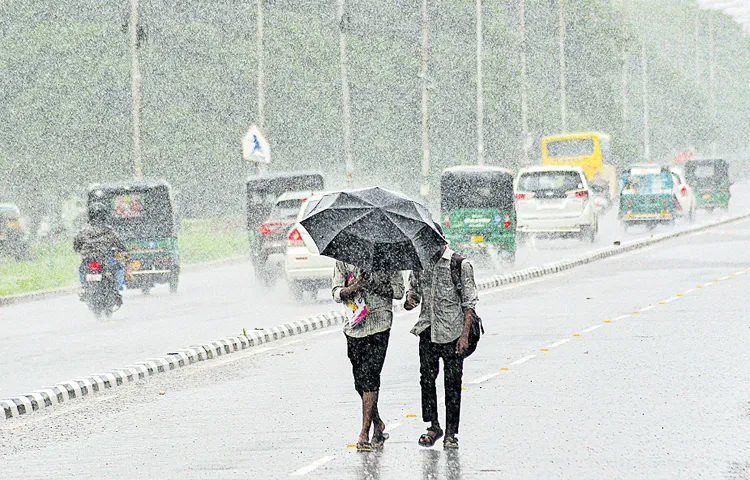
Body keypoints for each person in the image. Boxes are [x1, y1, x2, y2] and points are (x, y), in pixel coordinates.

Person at [404, 243, 478, 450]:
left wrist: (464, 336)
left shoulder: (459, 264)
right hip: (427, 329)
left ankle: (451, 433)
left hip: (453, 332)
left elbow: (469, 303)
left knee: (452, 384)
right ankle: (433, 426)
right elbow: (414, 293)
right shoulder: (419, 263)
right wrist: (410, 301)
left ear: (441, 242)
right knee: (426, 379)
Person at [332, 262, 404, 452]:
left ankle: (364, 432)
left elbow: (398, 291)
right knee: (360, 382)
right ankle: (378, 423)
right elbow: (336, 292)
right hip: (354, 326)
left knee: (371, 376)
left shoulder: (388, 257)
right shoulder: (343, 257)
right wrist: (354, 288)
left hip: (380, 324)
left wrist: (374, 284)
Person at [73, 203, 127, 306]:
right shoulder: (109, 231)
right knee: (120, 267)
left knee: (82, 269)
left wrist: (81, 250)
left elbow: (76, 245)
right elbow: (121, 244)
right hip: (106, 259)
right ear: (104, 215)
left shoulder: (84, 231)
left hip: (89, 261)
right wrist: (123, 250)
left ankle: (85, 288)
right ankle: (117, 289)